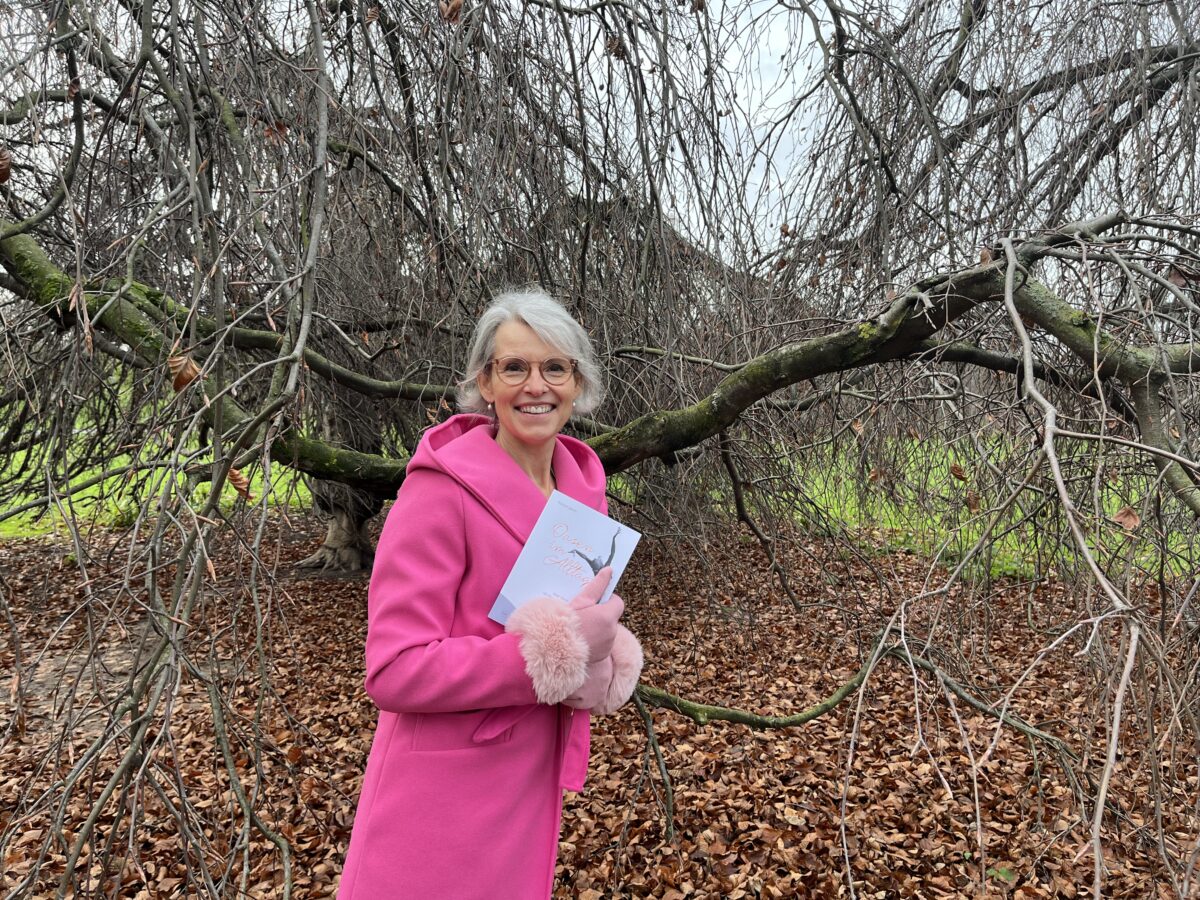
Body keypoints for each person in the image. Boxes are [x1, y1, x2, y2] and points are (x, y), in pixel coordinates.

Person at [338, 287, 643, 899]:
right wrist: (553, 652)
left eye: (555, 367)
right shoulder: (438, 492)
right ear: (485, 381)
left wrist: (600, 650)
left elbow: (569, 611)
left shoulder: (583, 488)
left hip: (529, 776)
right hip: (441, 797)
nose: (537, 385)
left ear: (578, 384)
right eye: (515, 367)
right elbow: (393, 669)